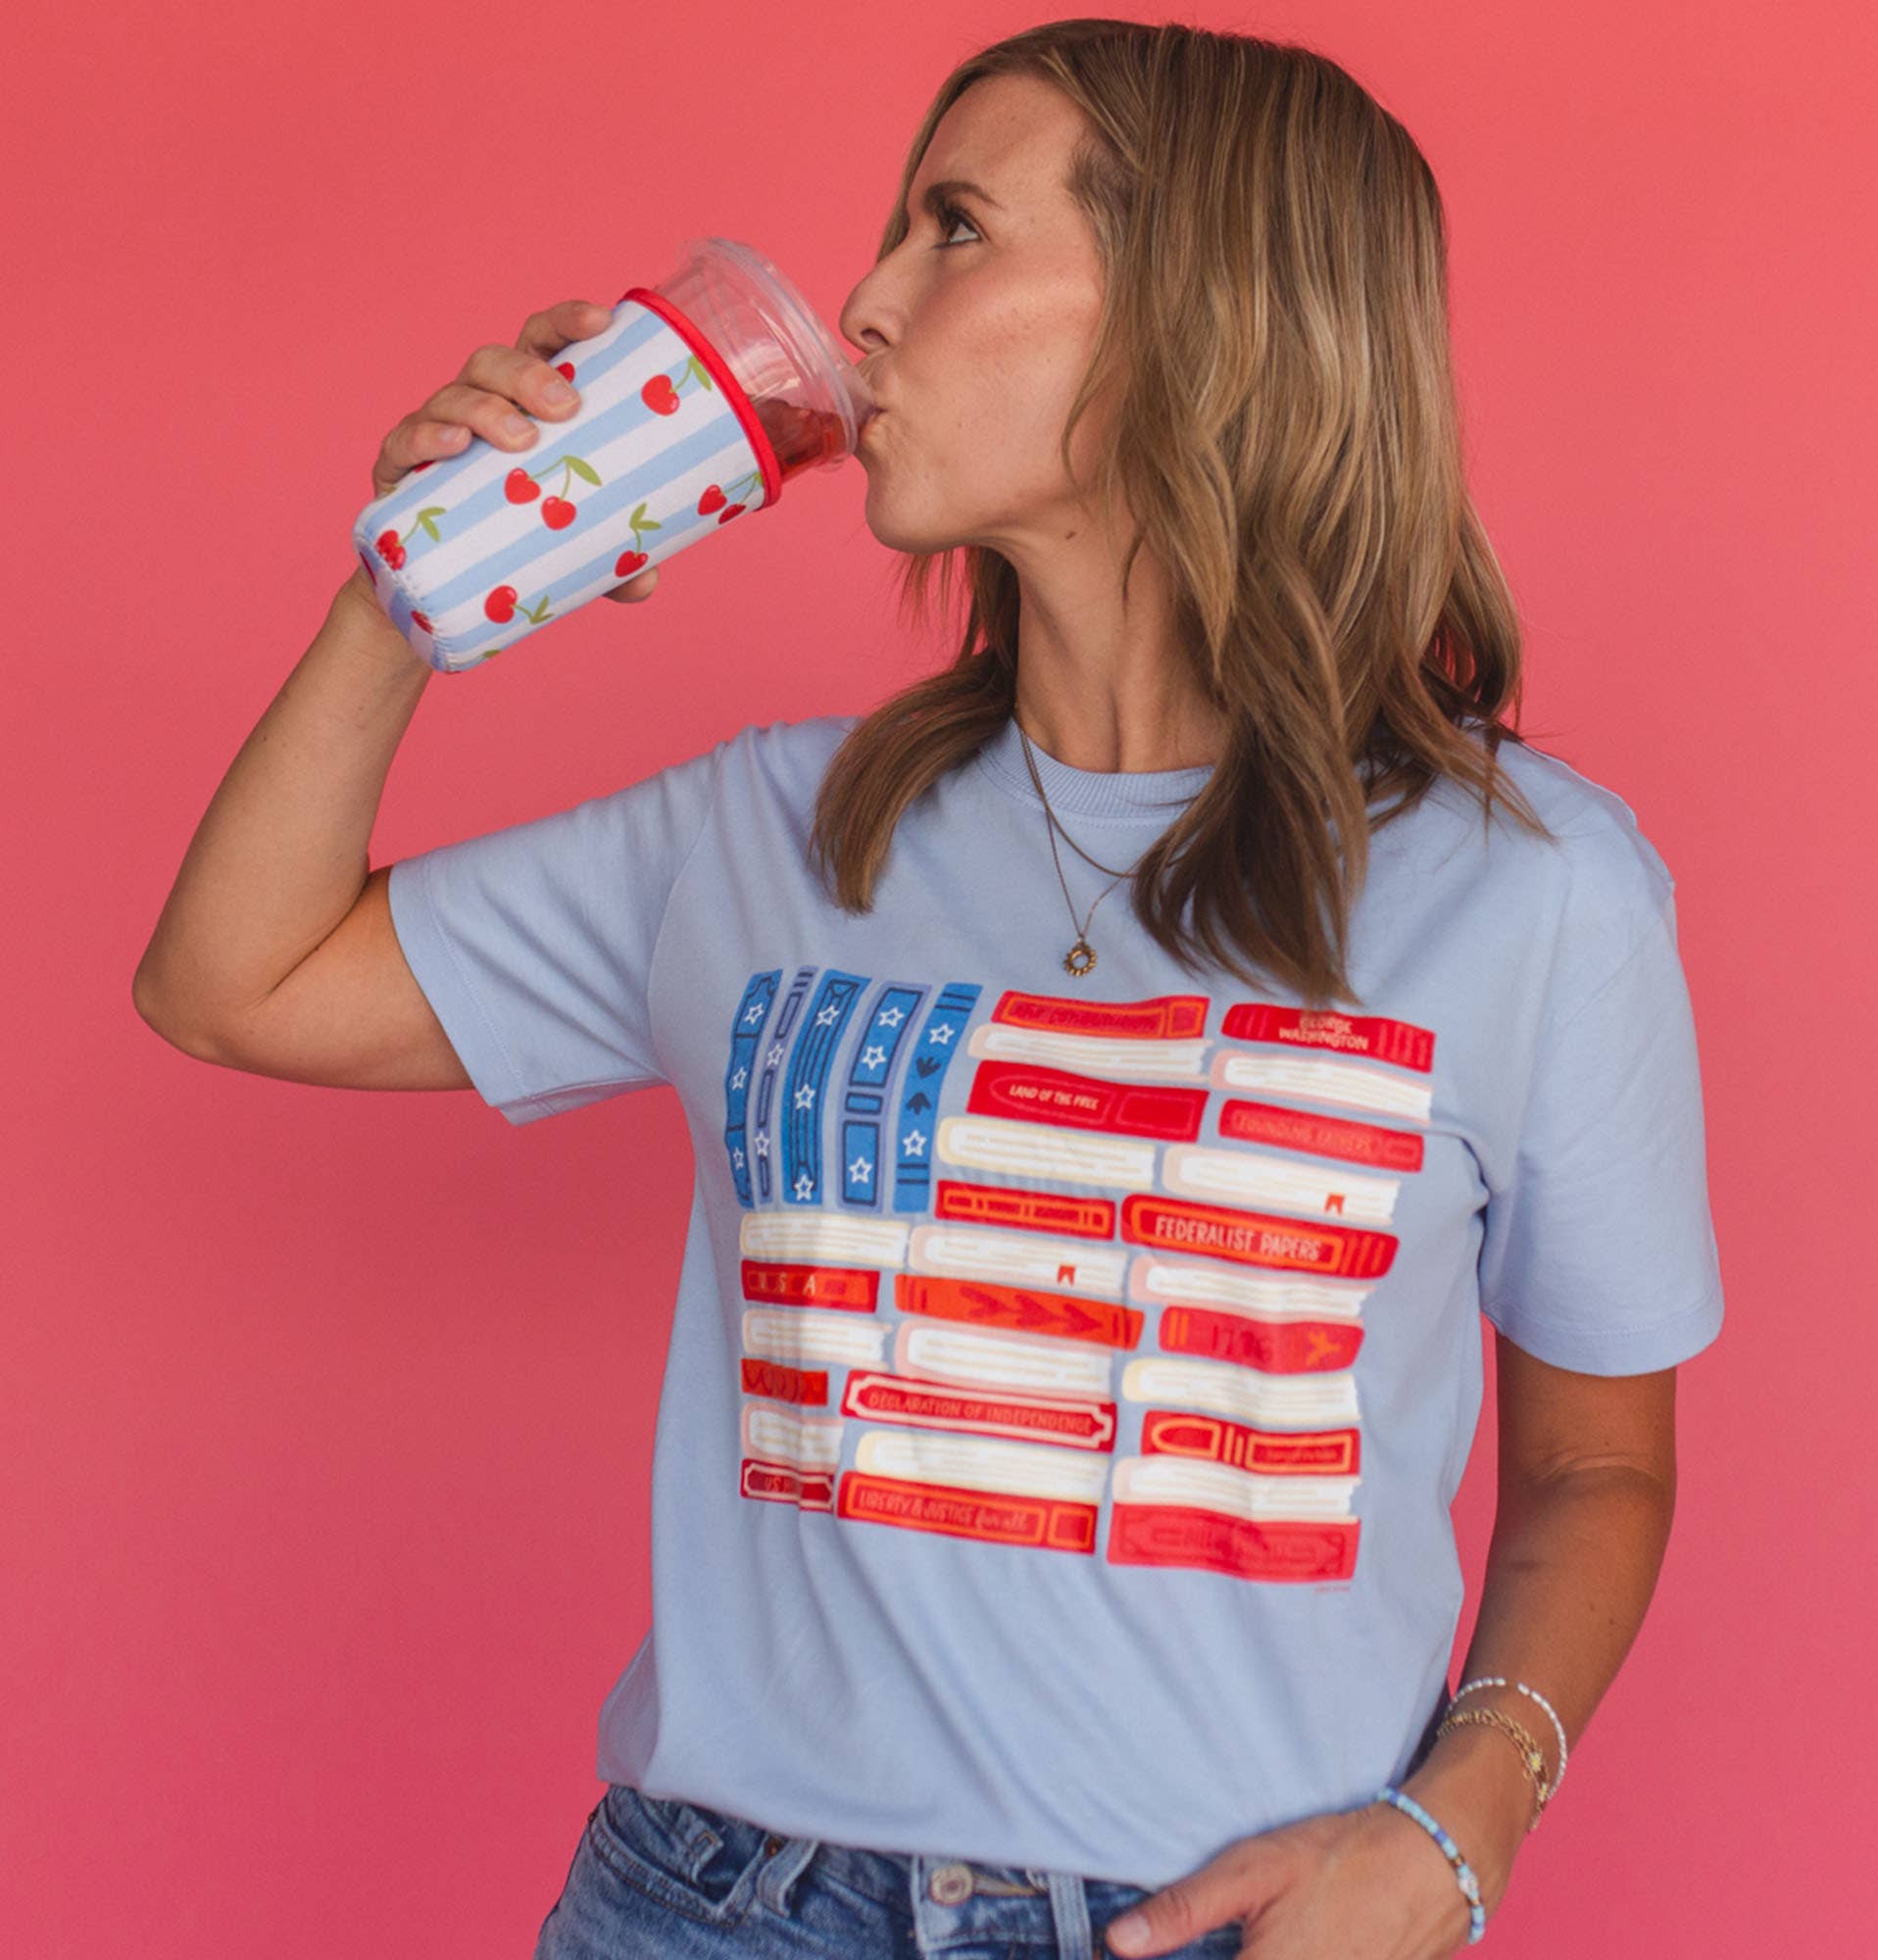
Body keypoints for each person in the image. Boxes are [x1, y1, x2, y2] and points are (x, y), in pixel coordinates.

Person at [133, 20, 1724, 1960]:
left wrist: (1457, 1827)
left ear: (1206, 313)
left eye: (955, 228)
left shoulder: (1535, 893)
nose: (864, 306)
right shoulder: (773, 832)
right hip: (716, 1912)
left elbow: (1595, 1461)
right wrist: (407, 593)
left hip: (1231, 1925)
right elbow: (233, 981)